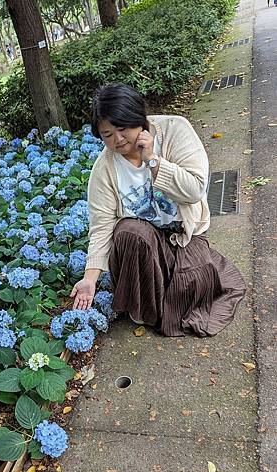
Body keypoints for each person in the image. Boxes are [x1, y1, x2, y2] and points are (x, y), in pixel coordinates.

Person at [71, 83, 246, 337]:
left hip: (183, 236)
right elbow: (101, 227)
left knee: (194, 284)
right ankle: (150, 305)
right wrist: (90, 279)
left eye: (123, 129)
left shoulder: (175, 129)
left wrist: (153, 160)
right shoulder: (104, 169)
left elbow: (195, 189)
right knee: (129, 231)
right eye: (107, 134)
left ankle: (167, 290)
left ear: (139, 119)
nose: (118, 140)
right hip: (145, 246)